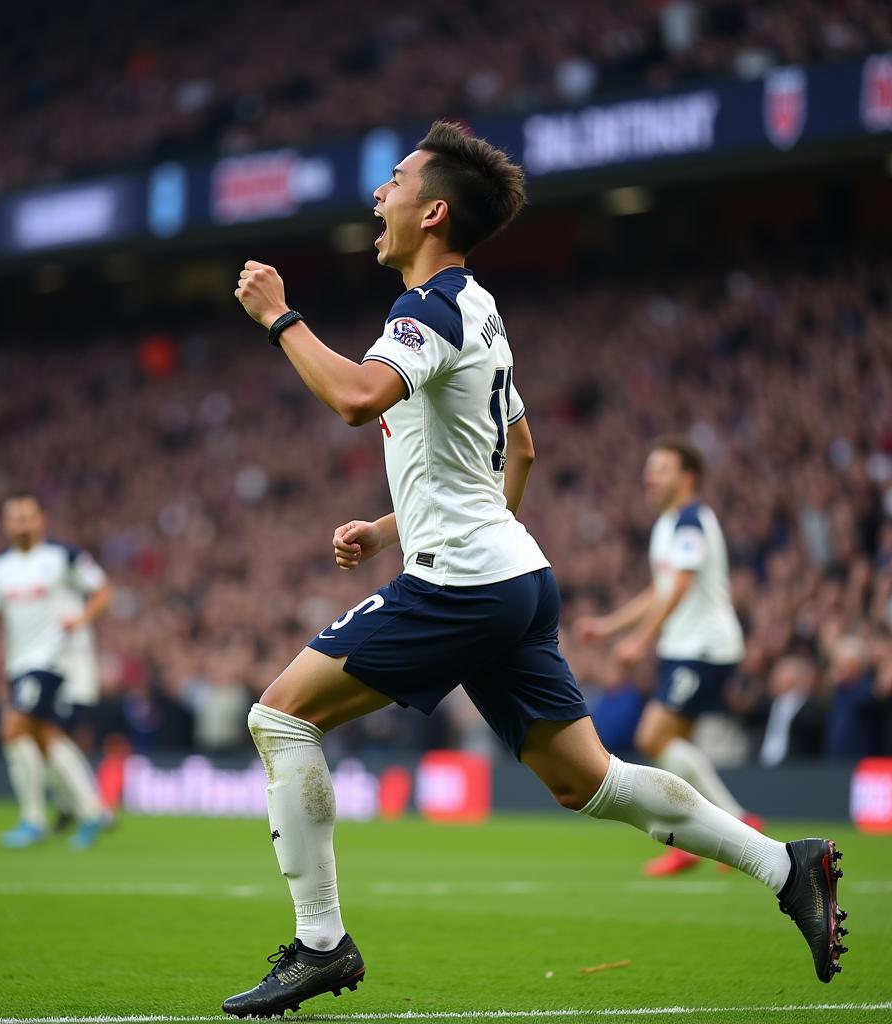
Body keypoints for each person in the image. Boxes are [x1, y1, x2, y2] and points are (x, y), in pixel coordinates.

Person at [225, 121, 848, 1017]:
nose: (378, 195)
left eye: (394, 181)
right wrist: (400, 526)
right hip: (513, 578)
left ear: (433, 209)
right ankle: (784, 865)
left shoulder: (430, 309)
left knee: (279, 719)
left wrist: (278, 316)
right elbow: (517, 447)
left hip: (463, 585)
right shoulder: (480, 311)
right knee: (587, 781)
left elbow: (359, 399)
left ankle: (322, 944)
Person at [575, 438, 763, 876]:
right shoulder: (668, 525)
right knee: (672, 745)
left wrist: (640, 642)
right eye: (649, 468)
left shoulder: (692, 521)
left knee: (653, 737)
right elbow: (659, 590)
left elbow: (678, 586)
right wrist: (609, 625)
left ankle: (733, 823)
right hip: (685, 648)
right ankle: (696, 838)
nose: (650, 476)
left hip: (704, 648)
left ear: (688, 477)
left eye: (660, 468)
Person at [0, 493, 113, 850]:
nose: (21, 524)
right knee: (44, 736)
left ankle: (33, 818)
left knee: (12, 728)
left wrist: (81, 618)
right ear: (5, 524)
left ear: (41, 519)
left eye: (27, 516)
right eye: (14, 518)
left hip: (55, 658)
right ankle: (93, 811)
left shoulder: (62, 557)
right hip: (19, 663)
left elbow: (103, 590)